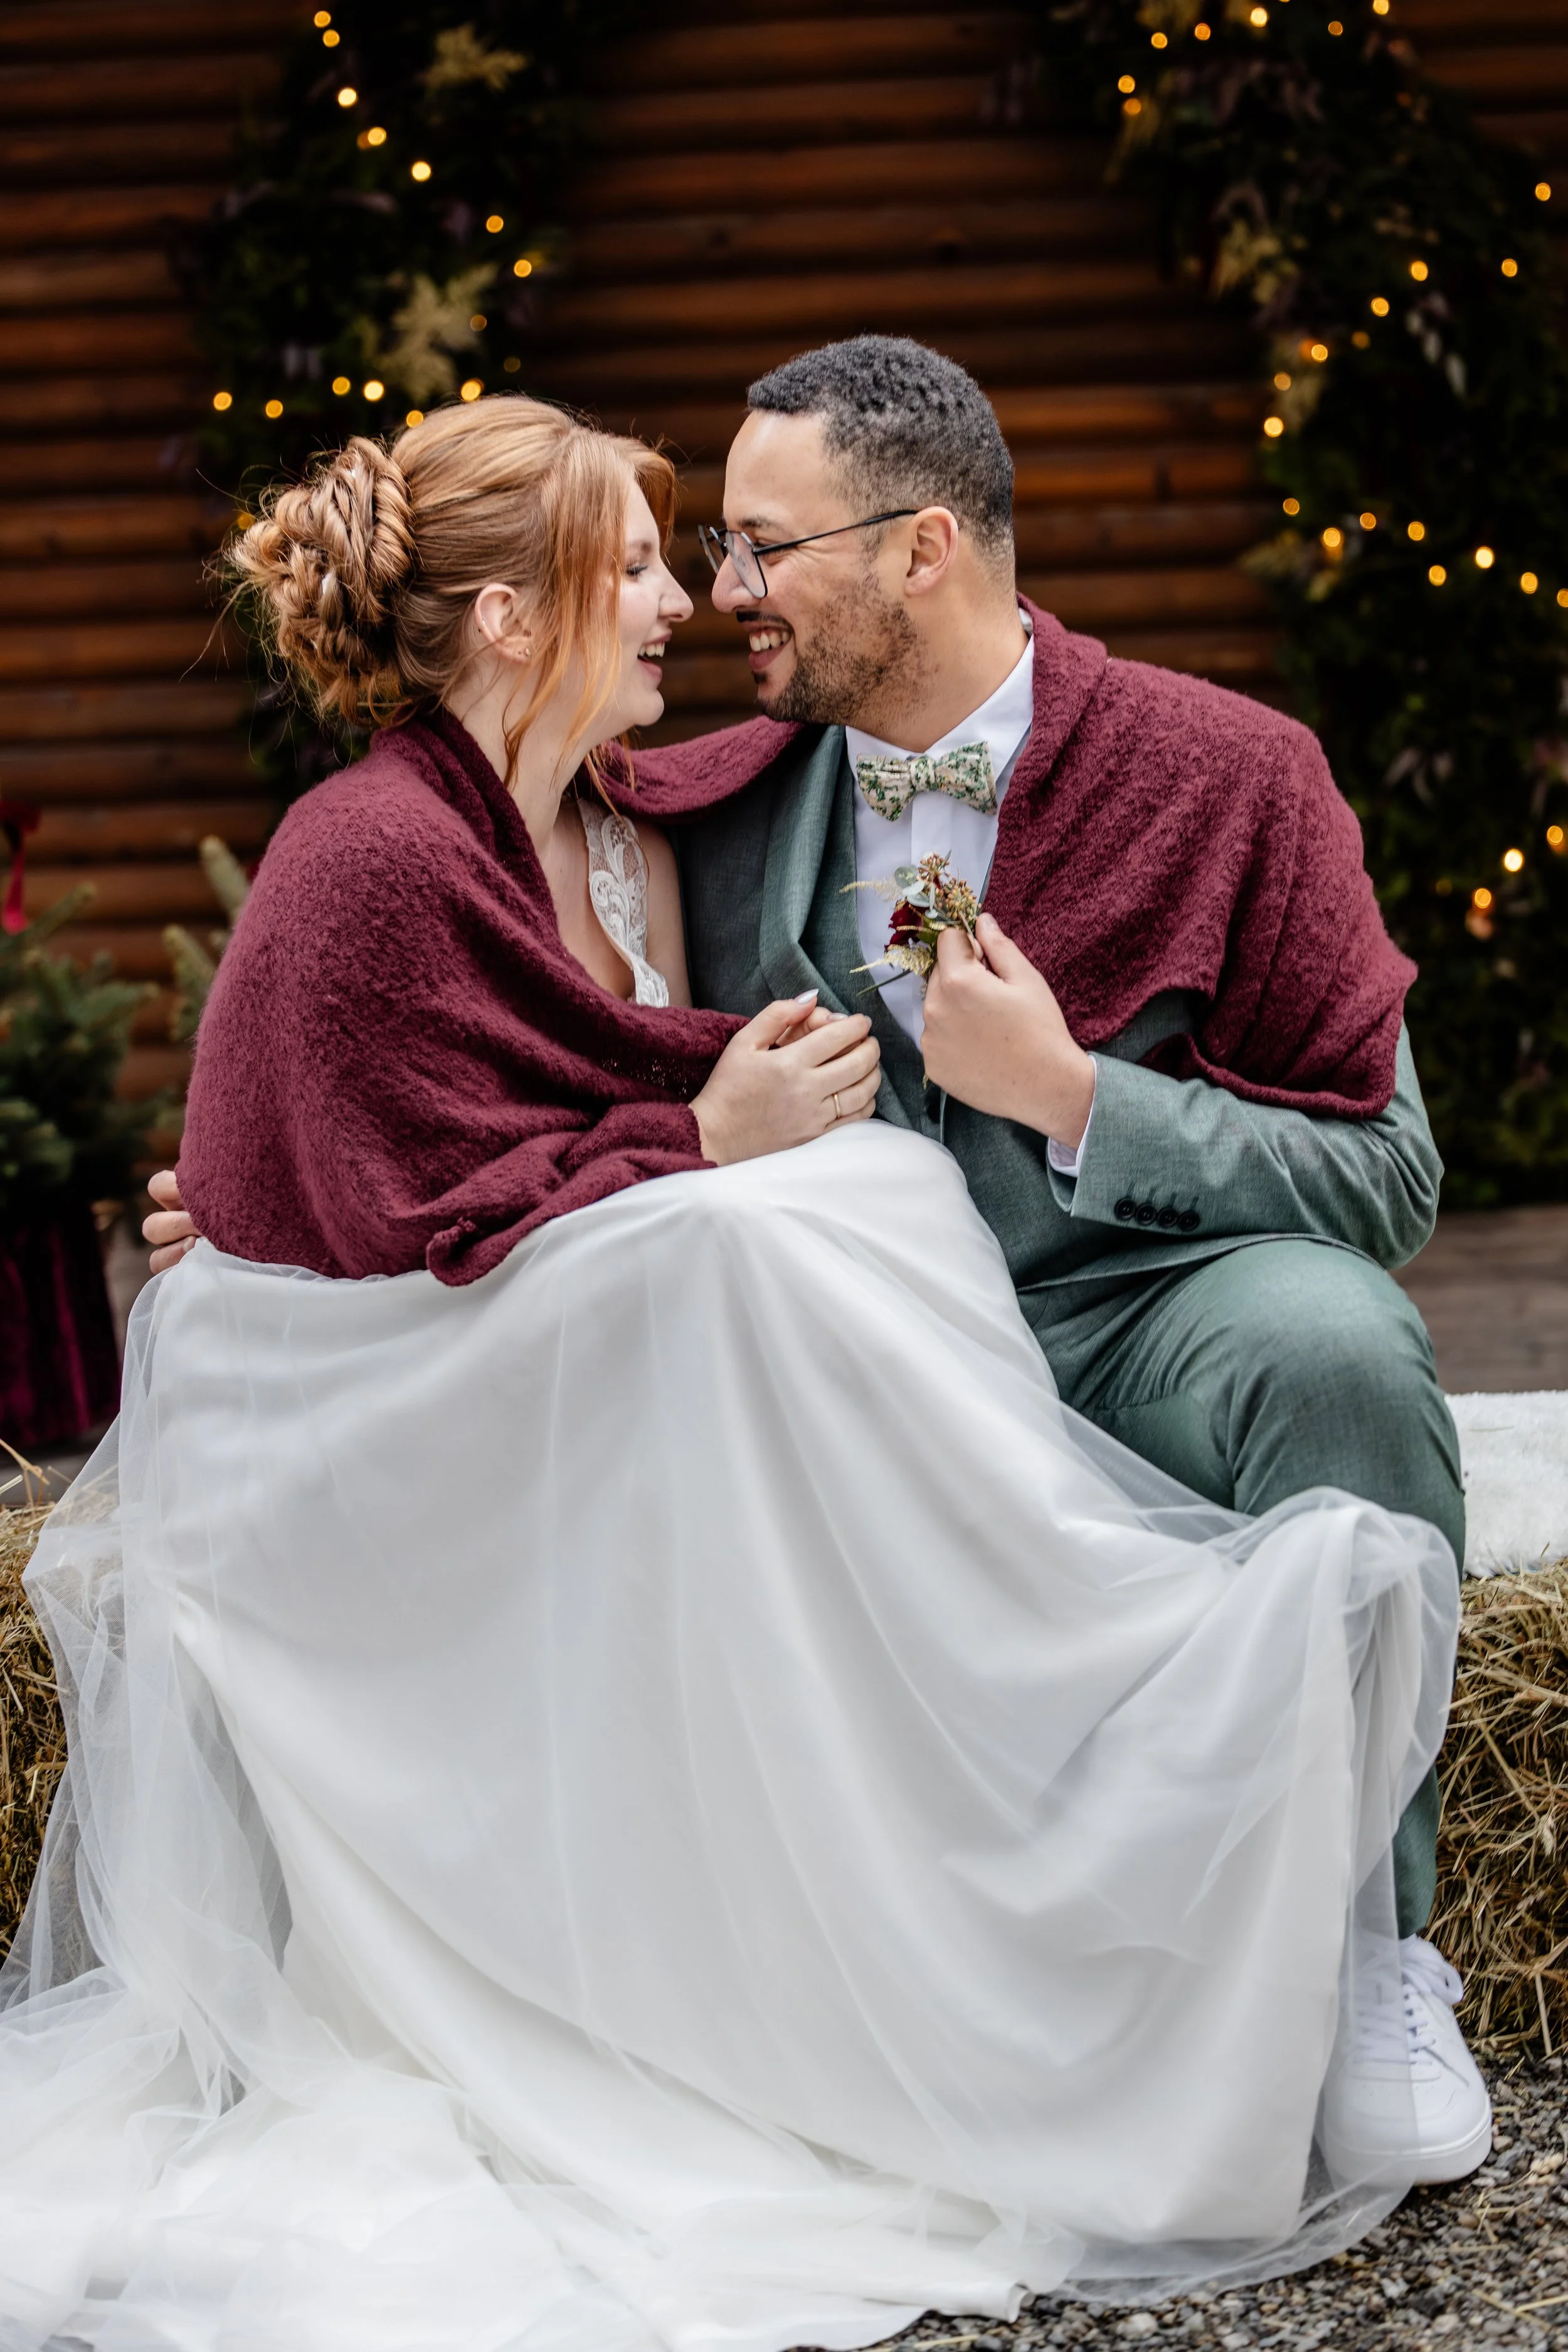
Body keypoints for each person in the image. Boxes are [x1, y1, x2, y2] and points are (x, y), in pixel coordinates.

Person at [34, 386, 1456, 2348]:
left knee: (1336, 1348)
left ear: (920, 549)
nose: (711, 594)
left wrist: (1069, 1098)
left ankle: (1376, 1954)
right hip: (767, 1368)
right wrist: (273, 1199)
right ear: (525, 611)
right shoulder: (704, 789)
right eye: (672, 554)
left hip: (1116, 1301)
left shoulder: (1220, 772)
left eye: (755, 548)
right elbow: (456, 1065)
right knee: (791, 1234)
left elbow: (1387, 1169)